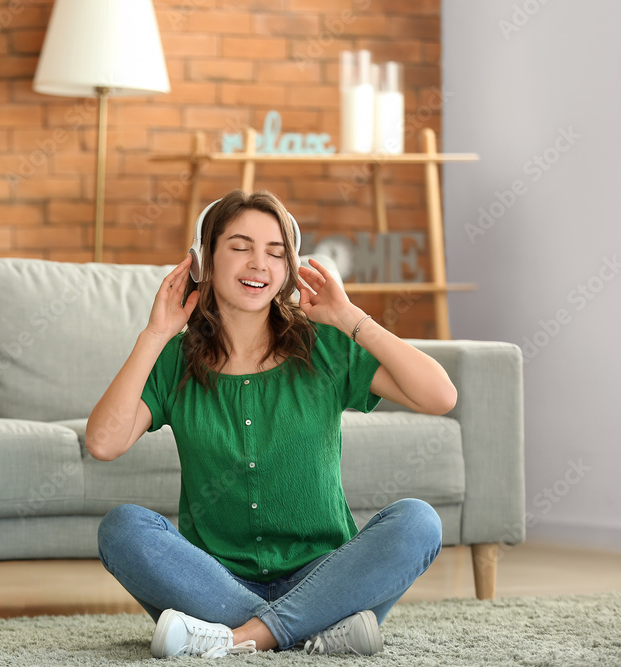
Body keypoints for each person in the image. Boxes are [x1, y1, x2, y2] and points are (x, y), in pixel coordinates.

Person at [86, 190, 457, 658]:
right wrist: (155, 333)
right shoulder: (174, 362)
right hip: (215, 582)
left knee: (418, 522)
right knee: (122, 529)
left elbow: (441, 395)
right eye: (240, 247)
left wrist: (347, 316)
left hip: (323, 573)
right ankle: (313, 632)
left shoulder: (323, 346)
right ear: (204, 262)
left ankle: (241, 639)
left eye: (276, 253)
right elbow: (103, 442)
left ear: (289, 269)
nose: (258, 263)